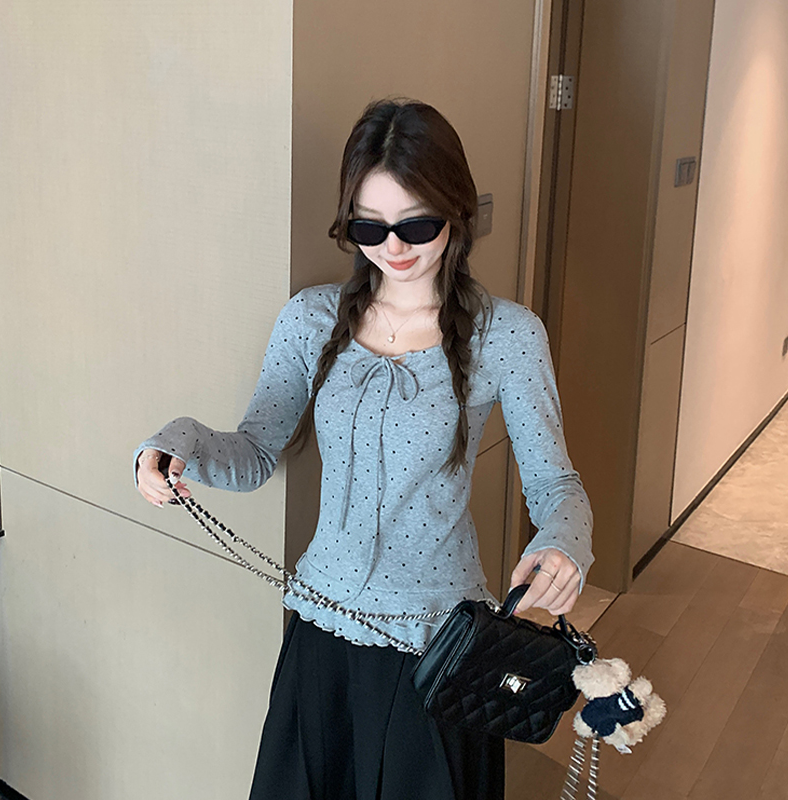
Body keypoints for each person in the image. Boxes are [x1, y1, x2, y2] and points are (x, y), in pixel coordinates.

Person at [133, 97, 594, 800]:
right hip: (323, 632)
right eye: (370, 226)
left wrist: (563, 546)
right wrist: (177, 444)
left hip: (439, 646)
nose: (394, 247)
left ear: (457, 211)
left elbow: (557, 485)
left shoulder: (508, 335)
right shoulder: (311, 318)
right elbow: (255, 451)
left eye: (417, 224)